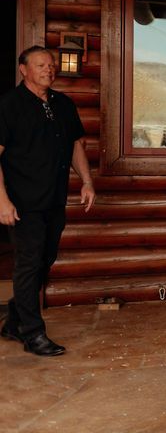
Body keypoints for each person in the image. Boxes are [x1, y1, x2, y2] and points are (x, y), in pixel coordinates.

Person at [0, 46, 95, 357]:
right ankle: (33, 333)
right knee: (29, 263)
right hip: (22, 201)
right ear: (23, 69)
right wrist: (2, 201)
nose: (49, 69)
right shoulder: (9, 105)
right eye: (40, 64)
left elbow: (76, 145)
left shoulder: (63, 103)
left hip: (54, 198)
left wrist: (87, 181)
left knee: (44, 260)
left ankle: (14, 320)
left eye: (51, 64)